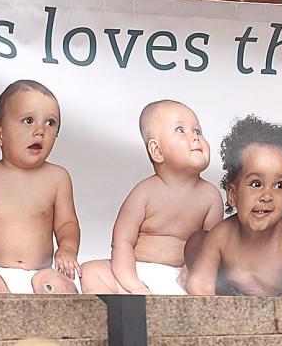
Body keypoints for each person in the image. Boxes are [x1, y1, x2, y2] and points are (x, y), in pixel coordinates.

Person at [79, 99, 224, 294]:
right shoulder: (144, 192)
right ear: (157, 150)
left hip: (182, 279)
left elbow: (211, 247)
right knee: (91, 271)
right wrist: (132, 283)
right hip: (137, 273)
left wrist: (192, 270)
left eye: (197, 131)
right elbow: (122, 241)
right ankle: (113, 315)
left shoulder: (210, 196)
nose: (195, 137)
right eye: (181, 130)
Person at [0, 80, 81, 294]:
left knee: (58, 285)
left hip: (40, 274)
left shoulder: (57, 178)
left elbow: (67, 223)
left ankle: (56, 326)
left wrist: (67, 248)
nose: (40, 131)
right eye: (28, 120)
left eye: (50, 123)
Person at [184, 114, 282, 297]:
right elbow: (200, 287)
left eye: (279, 185)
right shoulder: (222, 236)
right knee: (197, 241)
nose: (267, 196)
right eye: (256, 184)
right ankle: (190, 272)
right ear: (233, 194)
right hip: (230, 293)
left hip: (275, 303)